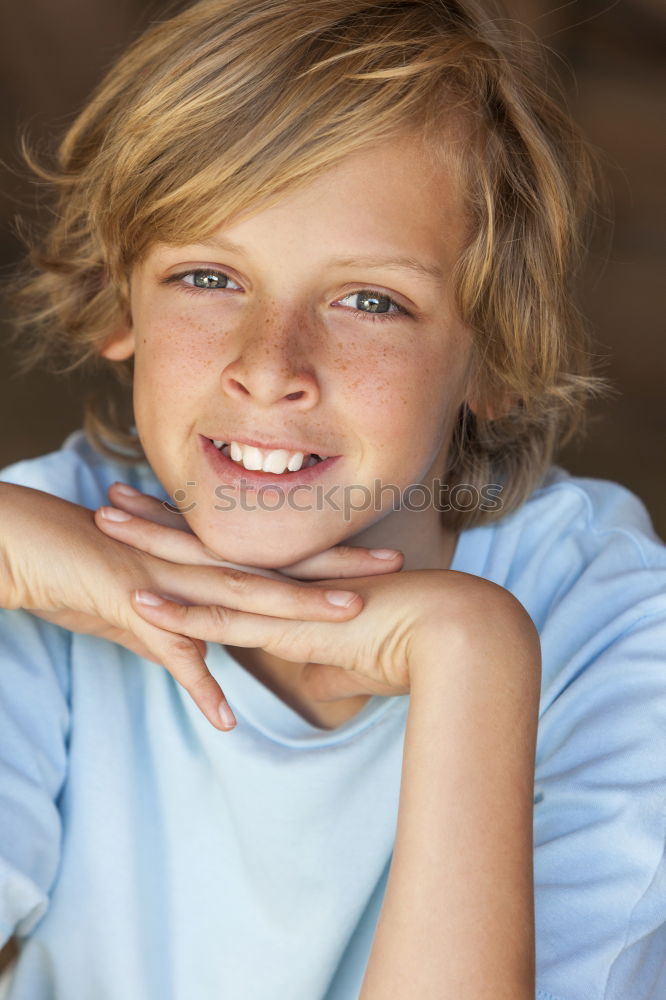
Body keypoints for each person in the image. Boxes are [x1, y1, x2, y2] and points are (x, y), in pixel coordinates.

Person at [0, 0, 664, 997]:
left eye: (370, 301)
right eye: (208, 275)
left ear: (497, 358)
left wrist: (472, 658)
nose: (270, 368)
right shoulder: (42, 563)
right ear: (118, 302)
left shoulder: (611, 617)